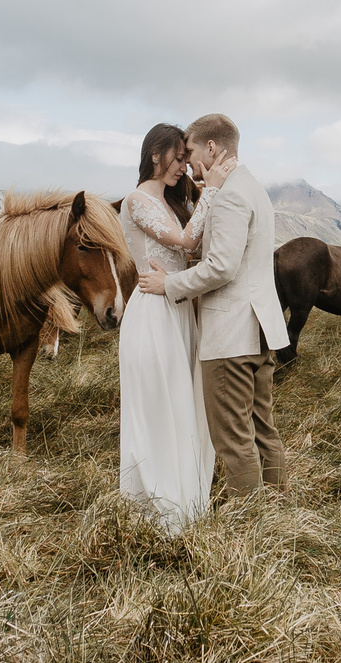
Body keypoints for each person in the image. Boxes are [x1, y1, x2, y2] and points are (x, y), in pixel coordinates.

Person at [140, 112, 290, 497]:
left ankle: (250, 526)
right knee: (262, 428)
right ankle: (277, 512)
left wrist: (169, 283)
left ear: (211, 147)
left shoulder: (229, 196)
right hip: (260, 329)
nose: (186, 161)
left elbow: (222, 267)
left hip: (231, 337)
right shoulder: (254, 188)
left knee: (234, 441)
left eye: (189, 151)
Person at [114, 124, 214, 531]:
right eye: (178, 157)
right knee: (158, 404)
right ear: (156, 154)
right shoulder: (138, 200)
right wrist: (214, 193)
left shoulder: (168, 201)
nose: (183, 166)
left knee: (180, 401)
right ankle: (157, 501)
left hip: (176, 309)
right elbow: (186, 243)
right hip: (154, 312)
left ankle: (182, 490)